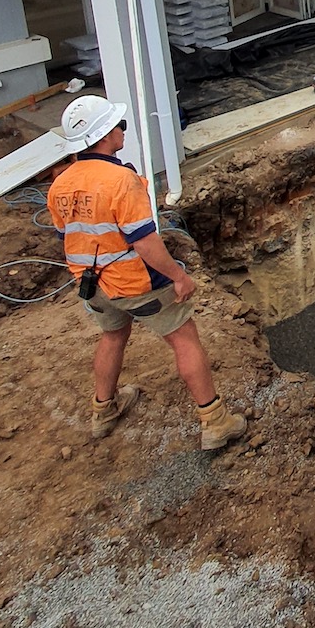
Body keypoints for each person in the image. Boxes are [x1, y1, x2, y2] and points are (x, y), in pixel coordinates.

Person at [46, 95, 248, 450]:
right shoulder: (122, 180)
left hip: (91, 285)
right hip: (133, 282)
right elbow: (144, 242)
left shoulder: (60, 184)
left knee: (112, 337)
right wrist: (178, 277)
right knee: (184, 339)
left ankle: (103, 410)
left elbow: (69, 235)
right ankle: (215, 421)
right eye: (120, 125)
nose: (124, 130)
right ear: (107, 134)